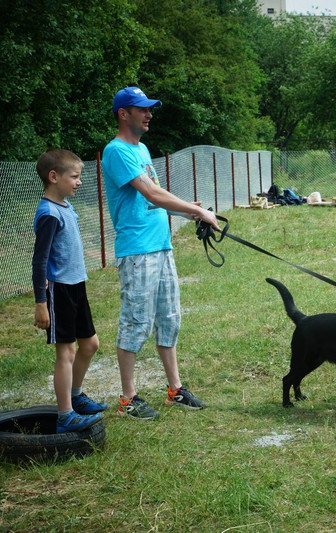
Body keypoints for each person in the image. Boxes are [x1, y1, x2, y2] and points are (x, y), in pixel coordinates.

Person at [101, 86, 220, 420]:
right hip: (138, 251)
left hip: (161, 246)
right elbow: (151, 194)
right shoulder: (116, 151)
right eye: (142, 109)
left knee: (169, 319)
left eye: (149, 109)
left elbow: (155, 193)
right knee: (136, 321)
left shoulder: (141, 149)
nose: (149, 114)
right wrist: (198, 211)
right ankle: (128, 399)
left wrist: (187, 210)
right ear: (124, 113)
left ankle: (175, 390)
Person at [32, 149, 107, 432]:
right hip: (59, 290)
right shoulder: (49, 213)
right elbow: (39, 260)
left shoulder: (65, 206)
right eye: (74, 176)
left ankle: (75, 397)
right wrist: (41, 303)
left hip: (76, 286)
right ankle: (65, 415)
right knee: (67, 352)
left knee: (90, 344)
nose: (79, 181)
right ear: (54, 177)